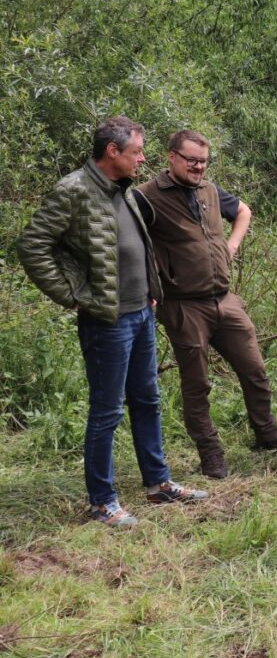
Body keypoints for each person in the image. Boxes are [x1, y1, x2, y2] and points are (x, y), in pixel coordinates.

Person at [17, 116, 208, 528]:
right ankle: (102, 501)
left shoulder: (124, 192)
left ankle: (158, 483)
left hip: (141, 313)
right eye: (136, 151)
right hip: (107, 320)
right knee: (107, 411)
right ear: (112, 151)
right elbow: (32, 245)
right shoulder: (73, 190)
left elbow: (138, 245)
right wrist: (71, 296)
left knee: (148, 400)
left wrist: (152, 290)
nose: (142, 158)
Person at [136, 130, 277, 479]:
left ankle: (267, 435)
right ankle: (210, 454)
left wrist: (231, 247)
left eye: (203, 161)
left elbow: (243, 211)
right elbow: (129, 242)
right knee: (197, 384)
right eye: (191, 160)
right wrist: (148, 284)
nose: (198, 167)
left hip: (224, 300)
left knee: (255, 370)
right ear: (171, 157)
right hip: (183, 306)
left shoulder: (209, 190)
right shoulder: (146, 197)